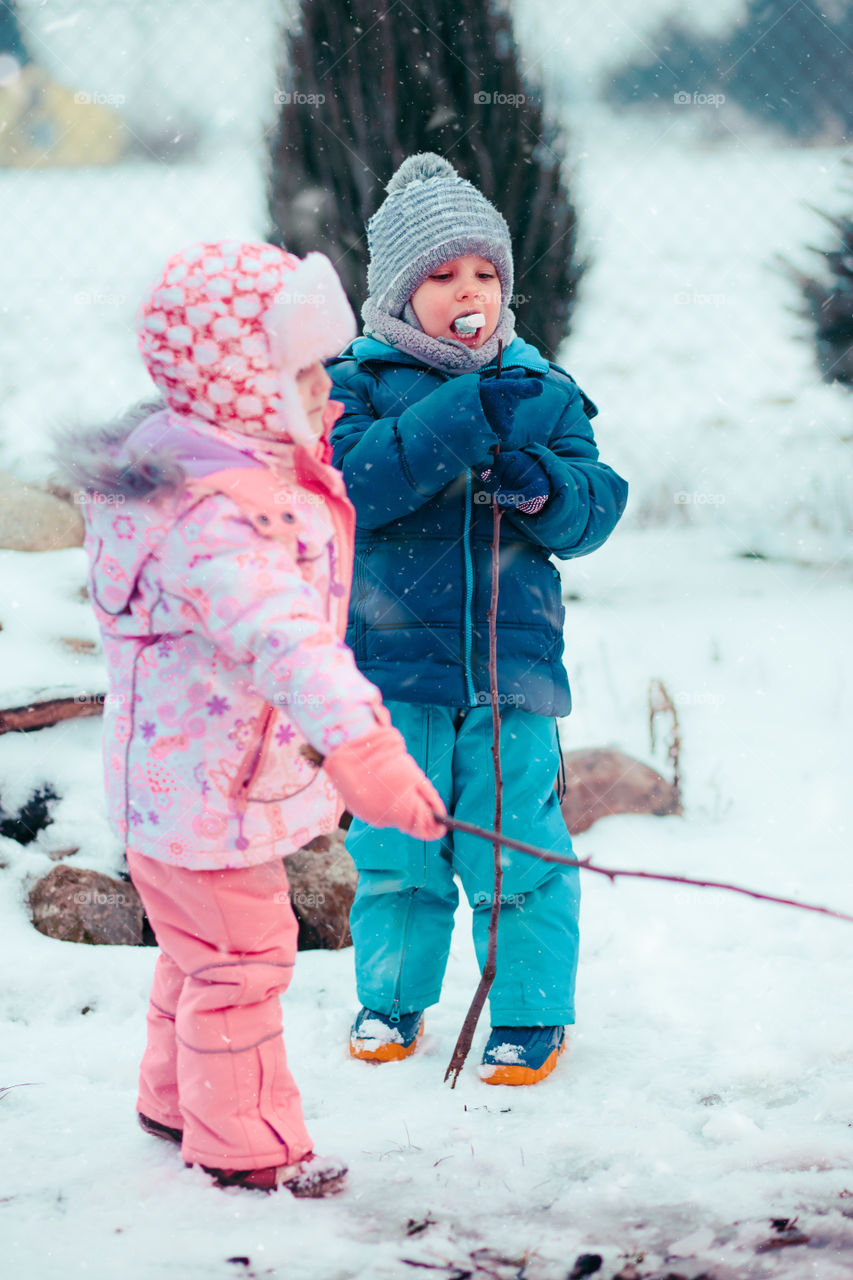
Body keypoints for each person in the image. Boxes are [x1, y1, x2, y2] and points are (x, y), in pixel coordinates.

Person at [54, 239, 445, 1194]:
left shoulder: (209, 476)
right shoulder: (214, 519)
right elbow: (287, 643)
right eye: (303, 373)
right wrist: (364, 748)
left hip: (185, 788)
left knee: (198, 958)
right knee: (242, 964)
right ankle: (250, 1149)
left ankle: (174, 1100)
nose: (328, 391)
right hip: (205, 794)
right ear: (236, 382)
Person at [328, 154, 629, 1086]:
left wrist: (547, 491)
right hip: (395, 673)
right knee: (395, 850)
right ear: (394, 294)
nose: (470, 292)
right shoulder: (358, 386)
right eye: (442, 275)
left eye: (485, 273)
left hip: (512, 677)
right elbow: (358, 488)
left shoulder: (542, 388)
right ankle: (391, 1000)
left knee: (520, 851)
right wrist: (463, 410)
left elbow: (596, 505)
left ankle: (530, 1014)